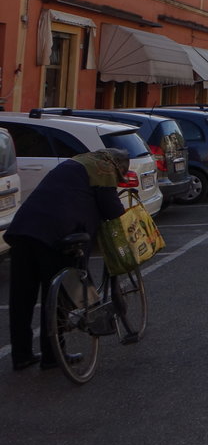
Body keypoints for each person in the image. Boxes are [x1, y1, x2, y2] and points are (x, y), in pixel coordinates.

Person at [5, 148, 130, 371]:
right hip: (56, 236)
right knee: (58, 295)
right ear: (118, 165)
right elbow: (112, 211)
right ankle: (52, 356)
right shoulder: (103, 169)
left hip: (24, 228)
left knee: (21, 297)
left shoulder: (73, 165)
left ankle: (21, 354)